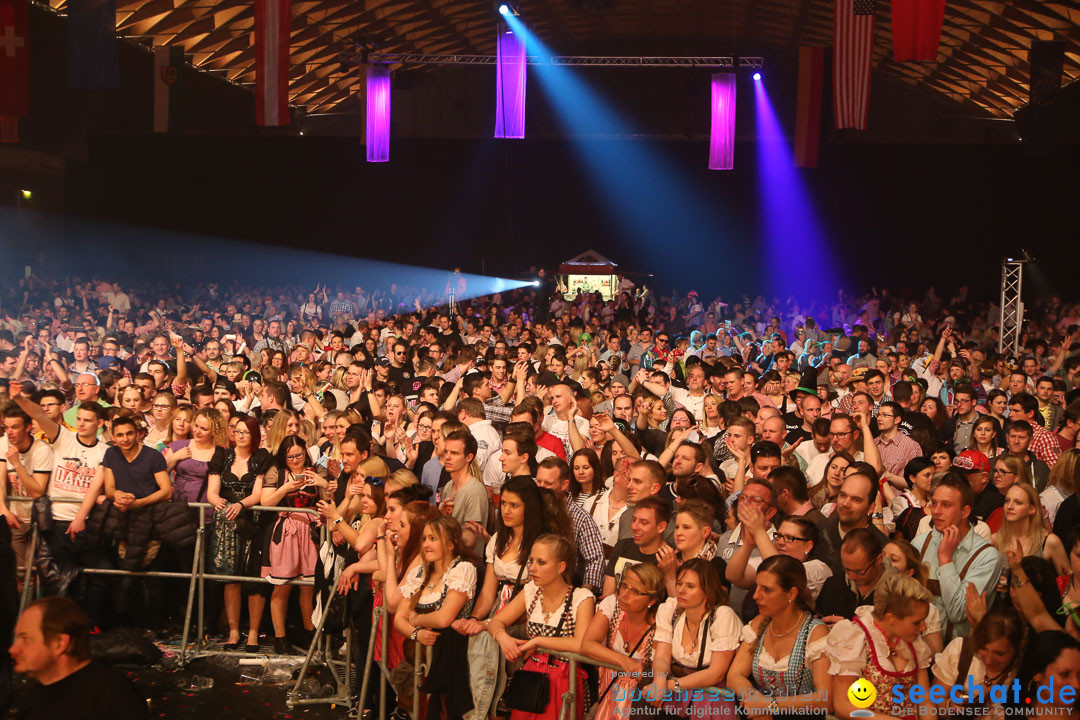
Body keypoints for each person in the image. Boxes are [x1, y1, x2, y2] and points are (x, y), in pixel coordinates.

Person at [454, 477, 545, 720]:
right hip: (497, 613)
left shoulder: (542, 544)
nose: (506, 510)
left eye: (514, 505)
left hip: (526, 618)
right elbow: (487, 592)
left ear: (530, 507)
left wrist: (488, 623)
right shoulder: (497, 540)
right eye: (503, 503)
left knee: (512, 695)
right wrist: (474, 618)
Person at [487, 533, 594, 720]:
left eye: (541, 562)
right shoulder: (531, 591)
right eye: (531, 561)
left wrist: (538, 641)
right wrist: (503, 638)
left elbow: (581, 644)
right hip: (531, 677)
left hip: (564, 679)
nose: (533, 568)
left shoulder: (581, 597)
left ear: (561, 567)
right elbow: (496, 621)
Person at [727, 555, 831, 720]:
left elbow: (824, 699)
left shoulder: (815, 632)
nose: (755, 596)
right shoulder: (759, 623)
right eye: (757, 587)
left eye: (766, 589)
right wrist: (757, 702)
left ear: (791, 593)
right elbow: (734, 676)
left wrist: (769, 705)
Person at [395, 516, 478, 720]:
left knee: (445, 711)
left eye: (433, 538)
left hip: (452, 656)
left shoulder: (462, 570)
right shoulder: (419, 572)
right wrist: (416, 634)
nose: (426, 544)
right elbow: (399, 618)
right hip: (419, 654)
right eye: (424, 539)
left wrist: (415, 620)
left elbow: (444, 619)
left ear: (451, 543)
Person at [9, 597, 147, 720]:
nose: (13, 649)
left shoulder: (112, 697)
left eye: (25, 639)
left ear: (59, 643)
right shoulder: (35, 695)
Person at [827, 573, 934, 720]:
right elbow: (843, 705)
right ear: (891, 618)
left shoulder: (913, 642)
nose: (923, 627)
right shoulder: (856, 637)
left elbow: (924, 701)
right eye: (917, 622)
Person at [206, 414, 272, 649]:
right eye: (237, 431)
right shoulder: (222, 456)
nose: (240, 436)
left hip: (253, 521)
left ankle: (253, 632)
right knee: (230, 580)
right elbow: (211, 490)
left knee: (255, 580)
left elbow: (257, 493)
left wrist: (241, 504)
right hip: (226, 522)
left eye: (245, 432)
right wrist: (218, 501)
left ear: (254, 435)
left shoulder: (261, 458)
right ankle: (233, 631)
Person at [643, 559, 741, 717]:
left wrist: (669, 685)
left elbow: (716, 673)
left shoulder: (722, 615)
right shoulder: (669, 609)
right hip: (677, 697)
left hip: (711, 699)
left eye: (690, 586)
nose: (681, 590)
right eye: (679, 583)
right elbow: (661, 656)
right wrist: (659, 681)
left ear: (707, 591)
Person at [912, 474, 1003, 642]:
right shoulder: (920, 543)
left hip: (957, 657)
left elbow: (958, 613)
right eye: (934, 503)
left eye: (946, 505)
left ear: (965, 511)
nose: (936, 511)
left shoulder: (987, 557)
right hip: (919, 650)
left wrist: (945, 559)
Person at [260, 435, 328, 652]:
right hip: (286, 530)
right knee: (282, 586)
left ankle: (310, 635)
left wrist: (322, 483)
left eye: (299, 455)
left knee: (308, 587)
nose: (296, 460)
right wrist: (286, 488)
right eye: (290, 457)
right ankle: (280, 638)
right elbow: (265, 502)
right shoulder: (276, 472)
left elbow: (331, 498)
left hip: (311, 531)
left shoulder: (316, 471)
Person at [580, 563, 663, 720]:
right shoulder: (612, 605)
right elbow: (586, 644)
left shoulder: (660, 625)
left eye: (635, 591)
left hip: (639, 706)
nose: (624, 594)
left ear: (651, 600)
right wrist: (623, 661)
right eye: (624, 585)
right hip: (608, 694)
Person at [932, 605, 1023, 714]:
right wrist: (950, 706)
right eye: (983, 649)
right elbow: (934, 703)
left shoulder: (1021, 670)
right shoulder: (960, 651)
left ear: (1018, 647)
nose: (989, 660)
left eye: (999, 654)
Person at [0, 406, 54, 572]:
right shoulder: (3, 443)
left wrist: (17, 463)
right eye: (6, 427)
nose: (9, 432)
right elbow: (0, 482)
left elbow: (37, 492)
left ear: (28, 427)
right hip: (15, 518)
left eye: (15, 427)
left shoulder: (42, 450)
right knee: (19, 572)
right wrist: (4, 511)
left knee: (35, 572)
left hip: (38, 520)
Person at [603, 495, 671, 598]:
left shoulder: (668, 558)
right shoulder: (622, 546)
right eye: (634, 520)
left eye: (643, 523)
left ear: (661, 527)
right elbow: (607, 596)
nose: (634, 527)